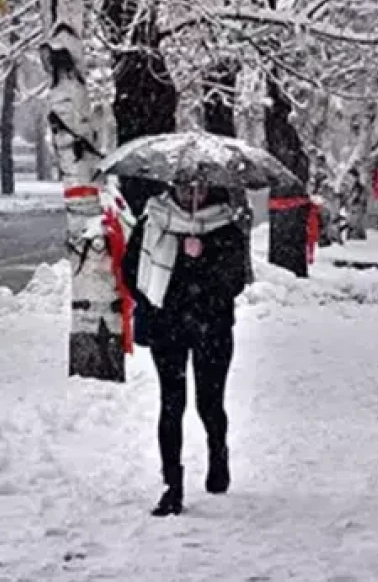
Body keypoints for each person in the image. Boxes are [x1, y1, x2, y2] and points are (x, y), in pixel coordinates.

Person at [122, 181, 251, 517]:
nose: (190, 194)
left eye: (198, 188)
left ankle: (218, 453)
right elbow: (132, 270)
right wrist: (157, 299)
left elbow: (235, 280)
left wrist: (202, 258)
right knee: (171, 404)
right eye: (182, 186)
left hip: (212, 329)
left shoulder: (226, 229)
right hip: (168, 328)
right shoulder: (153, 222)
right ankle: (172, 485)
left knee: (209, 403)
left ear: (210, 189)